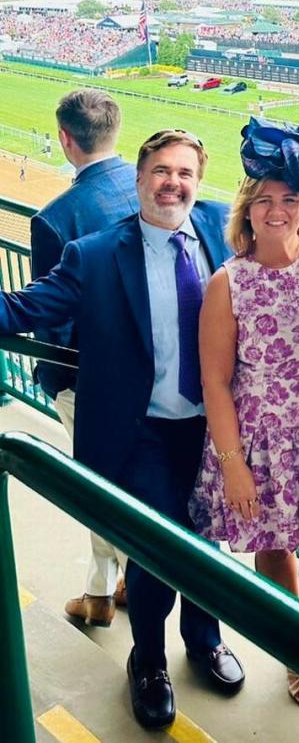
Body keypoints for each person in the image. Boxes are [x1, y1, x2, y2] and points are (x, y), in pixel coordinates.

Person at [0, 130, 243, 730]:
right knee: (159, 551)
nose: (173, 183)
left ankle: (203, 638)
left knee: (207, 541)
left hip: (213, 430)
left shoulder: (220, 228)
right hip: (145, 432)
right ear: (138, 180)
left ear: (199, 181)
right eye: (161, 171)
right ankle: (149, 660)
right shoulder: (95, 254)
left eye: (185, 172)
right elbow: (25, 309)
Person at [189, 119, 299, 709]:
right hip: (262, 443)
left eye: (290, 199)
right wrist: (233, 467)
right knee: (276, 551)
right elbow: (215, 381)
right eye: (265, 200)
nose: (277, 211)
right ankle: (298, 654)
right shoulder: (229, 283)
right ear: (247, 209)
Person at [30, 88, 139, 629]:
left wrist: (50, 381)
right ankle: (118, 580)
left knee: (98, 484)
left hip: (87, 378)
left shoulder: (55, 218)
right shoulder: (153, 189)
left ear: (66, 139)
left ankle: (102, 591)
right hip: (157, 375)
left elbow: (51, 319)